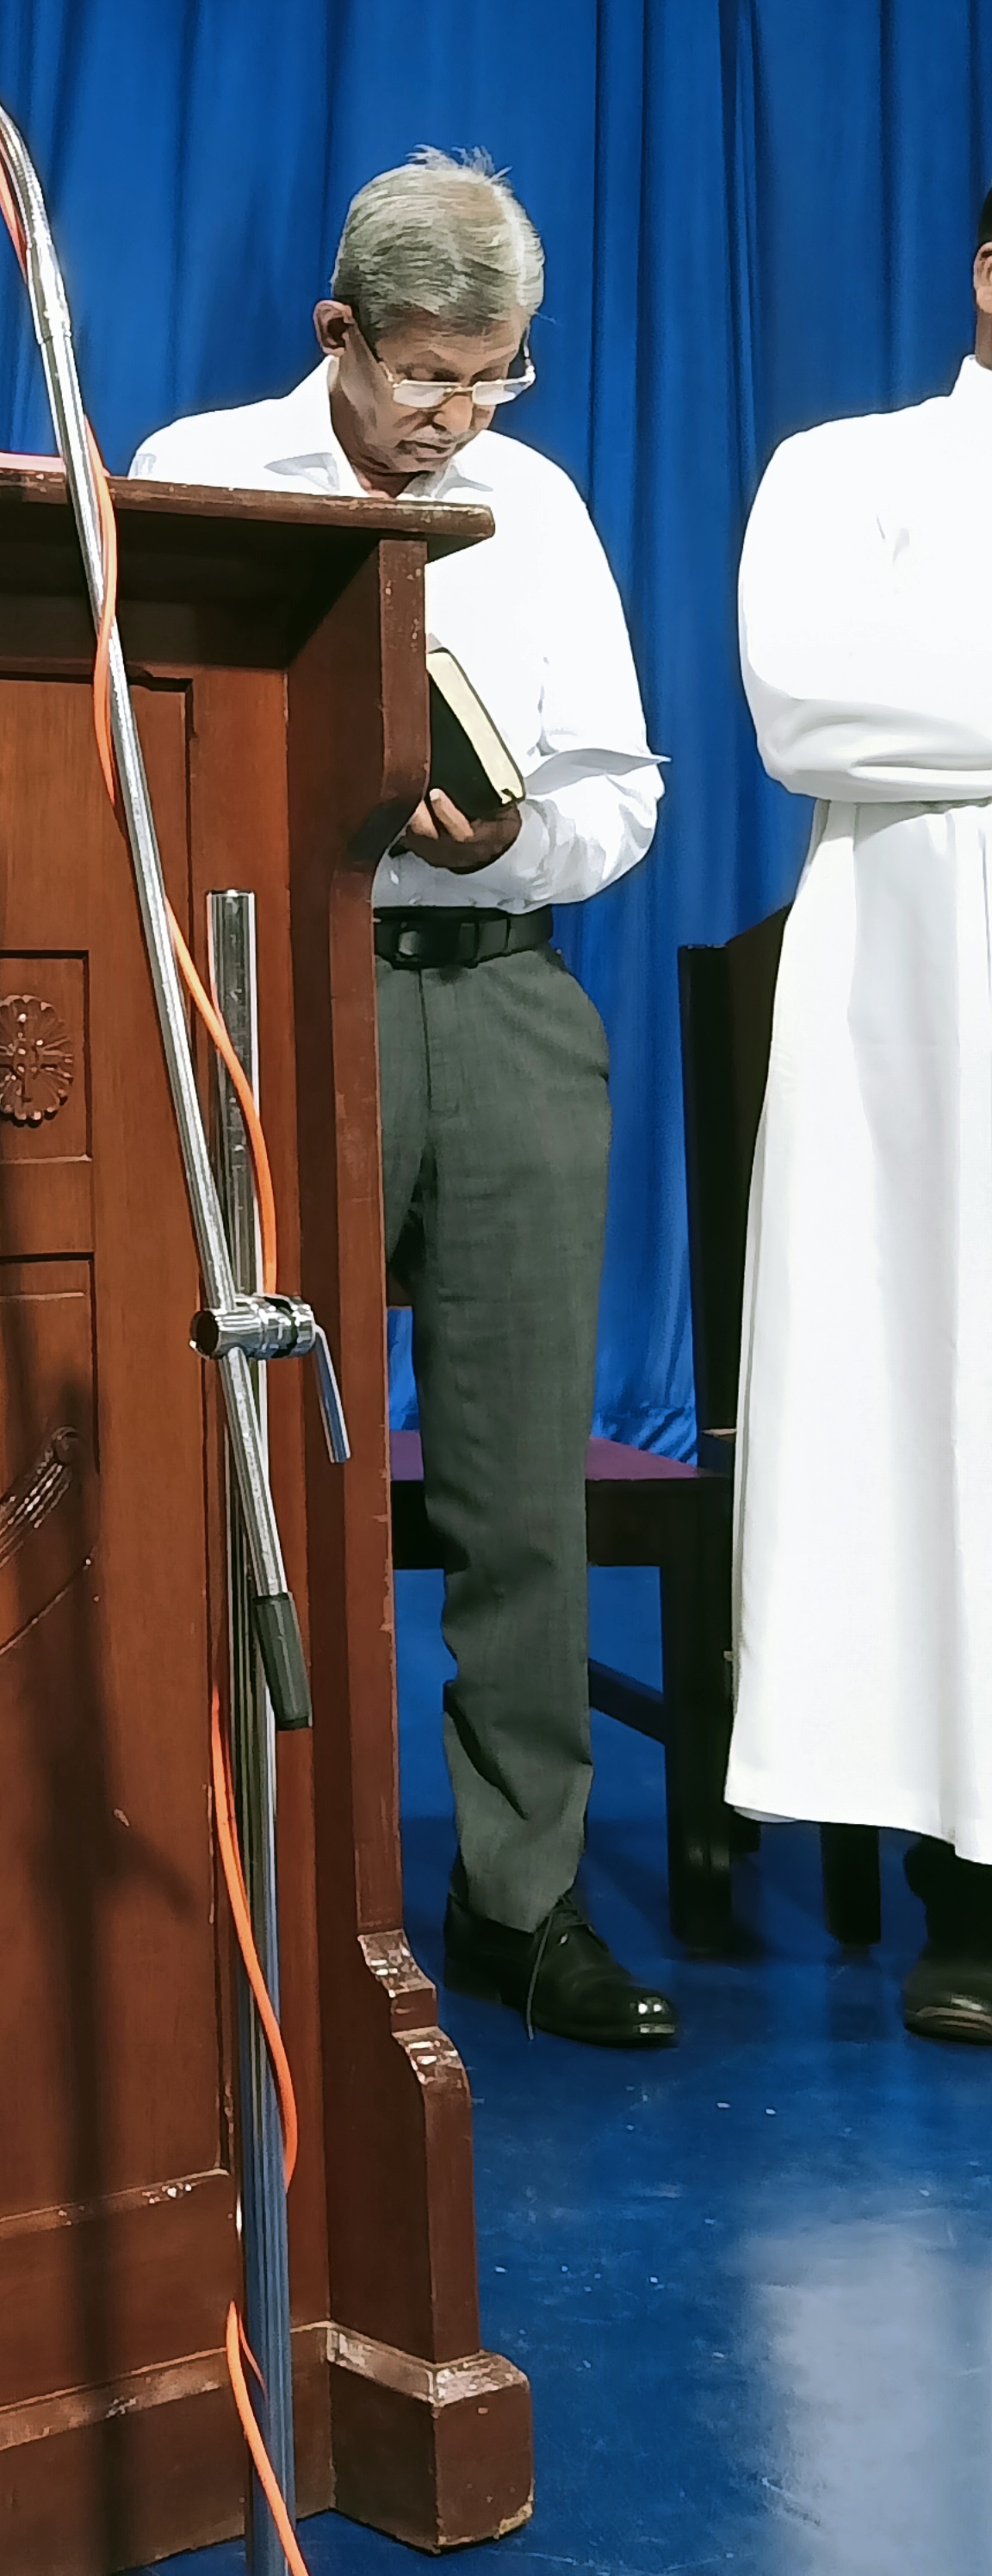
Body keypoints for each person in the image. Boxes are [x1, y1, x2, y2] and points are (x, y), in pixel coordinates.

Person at [134, 152, 673, 2048]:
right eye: (428, 374)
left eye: (493, 378)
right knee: (264, 1459)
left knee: (523, 1485)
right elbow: (139, 756)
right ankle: (258, 1884)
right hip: (286, 993)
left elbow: (622, 794)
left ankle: (521, 1898)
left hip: (506, 1001)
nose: (456, 418)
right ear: (340, 334)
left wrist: (507, 837)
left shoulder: (539, 503)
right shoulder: (204, 469)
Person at [726, 196, 992, 2045]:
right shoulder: (851, 470)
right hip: (929, 1028)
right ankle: (969, 1875)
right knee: (940, 1395)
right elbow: (813, 708)